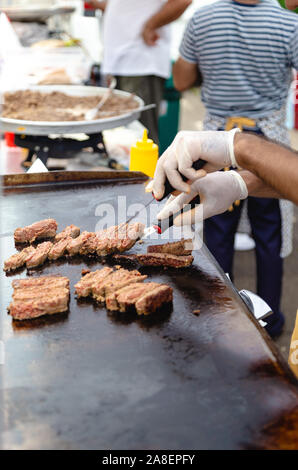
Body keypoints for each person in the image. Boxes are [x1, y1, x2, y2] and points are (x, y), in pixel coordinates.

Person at [166, 0, 298, 337]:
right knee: (268, 236)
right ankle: (269, 323)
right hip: (269, 141)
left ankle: (219, 319)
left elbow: (181, 81)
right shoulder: (288, 24)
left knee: (215, 230)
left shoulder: (202, 18)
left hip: (214, 140)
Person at [87, 0, 192, 144]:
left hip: (140, 64)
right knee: (122, 139)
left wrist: (150, 26)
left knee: (141, 140)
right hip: (122, 62)